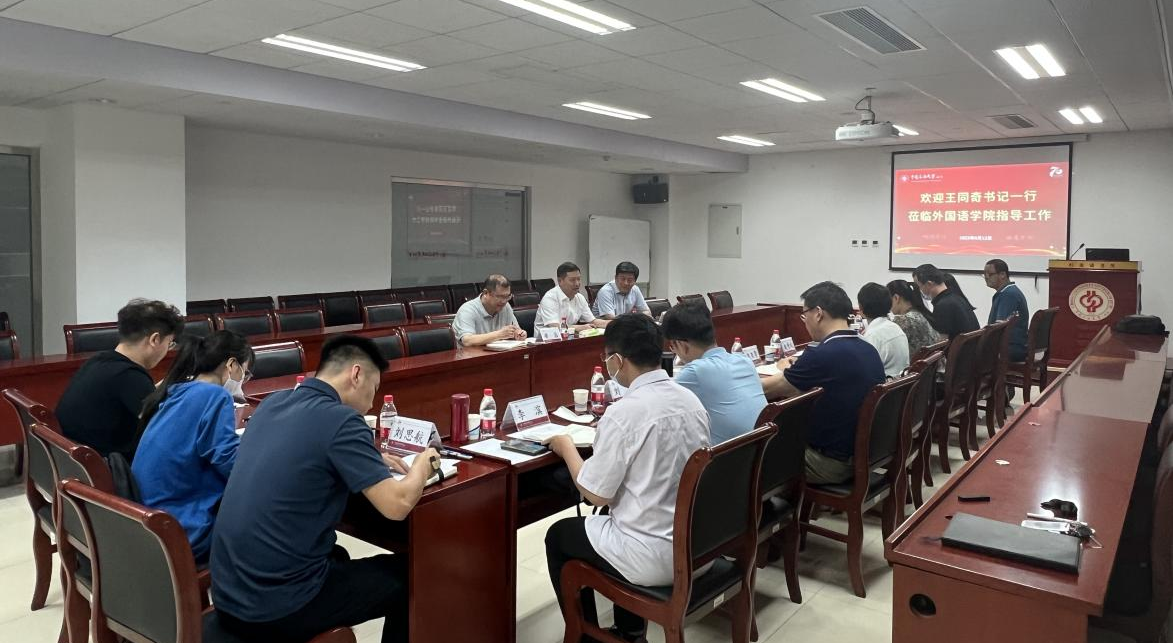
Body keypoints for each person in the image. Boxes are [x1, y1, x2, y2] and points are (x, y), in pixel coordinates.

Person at [211, 335, 440, 643]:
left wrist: (367, 458)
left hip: (228, 593)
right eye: (374, 388)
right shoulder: (343, 419)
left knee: (338, 554)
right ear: (356, 374)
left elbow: (304, 452)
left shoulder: (272, 403)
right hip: (274, 606)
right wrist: (424, 463)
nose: (371, 403)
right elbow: (396, 505)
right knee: (412, 575)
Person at [544, 314, 708, 642]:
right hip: (699, 545)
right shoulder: (691, 401)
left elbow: (595, 494)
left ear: (617, 360)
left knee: (559, 536)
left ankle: (586, 637)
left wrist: (566, 447)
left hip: (654, 555)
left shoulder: (625, 412)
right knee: (611, 514)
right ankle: (629, 632)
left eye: (607, 358)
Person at [132, 331, 254, 563]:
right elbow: (229, 462)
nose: (243, 380)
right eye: (244, 372)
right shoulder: (215, 395)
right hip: (181, 527)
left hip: (149, 517)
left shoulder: (177, 390)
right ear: (231, 364)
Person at [761, 282, 885, 485]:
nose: (805, 322)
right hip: (866, 456)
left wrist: (740, 375)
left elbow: (767, 390)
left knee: (752, 457)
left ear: (818, 313)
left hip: (829, 464)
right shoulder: (868, 349)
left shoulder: (822, 354)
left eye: (804, 315)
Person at [56, 298, 183, 460]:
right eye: (170, 343)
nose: (168, 349)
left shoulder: (99, 361)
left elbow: (140, 397)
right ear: (154, 339)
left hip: (73, 461)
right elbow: (168, 427)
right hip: (108, 466)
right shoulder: (130, 377)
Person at [661, 302, 766, 444]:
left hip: (726, 455)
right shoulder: (744, 361)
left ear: (682, 345)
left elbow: (660, 408)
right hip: (760, 449)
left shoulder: (695, 372)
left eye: (672, 346)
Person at [451, 274, 528, 346]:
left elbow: (516, 329)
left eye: (507, 296)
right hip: (470, 354)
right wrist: (499, 334)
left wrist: (519, 334)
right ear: (486, 293)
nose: (504, 301)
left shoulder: (506, 307)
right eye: (499, 296)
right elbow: (467, 341)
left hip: (497, 353)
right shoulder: (467, 310)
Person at [912, 264, 979, 340]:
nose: (919, 290)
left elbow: (942, 342)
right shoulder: (957, 298)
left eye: (919, 286)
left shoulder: (943, 306)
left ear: (929, 284)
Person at [535, 262, 609, 330]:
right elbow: (556, 327)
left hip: (570, 337)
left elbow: (593, 321)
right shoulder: (550, 298)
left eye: (578, 279)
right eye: (572, 280)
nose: (577, 283)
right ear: (560, 281)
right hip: (546, 339)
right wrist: (581, 328)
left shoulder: (580, 298)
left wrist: (613, 324)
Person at [857, 283, 909, 378]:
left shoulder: (873, 336)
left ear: (861, 308)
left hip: (885, 385)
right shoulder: (896, 328)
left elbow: (865, 373)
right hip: (901, 383)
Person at [984, 259, 1030, 362]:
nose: (986, 277)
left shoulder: (1008, 295)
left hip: (1011, 348)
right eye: (984, 274)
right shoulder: (1010, 291)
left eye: (990, 274)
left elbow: (999, 328)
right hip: (1015, 345)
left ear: (1003, 274)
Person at [886, 280, 942, 358]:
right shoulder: (922, 314)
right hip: (931, 363)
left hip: (916, 364)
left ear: (896, 298)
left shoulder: (904, 320)